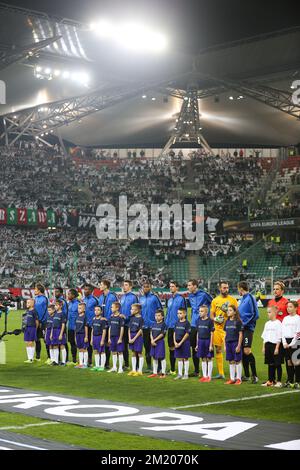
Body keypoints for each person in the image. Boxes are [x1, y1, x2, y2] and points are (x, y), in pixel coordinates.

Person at [210, 281, 238, 379]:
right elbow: (211, 314)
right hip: (217, 329)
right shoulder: (215, 300)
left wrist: (227, 313)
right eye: (224, 288)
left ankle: (235, 373)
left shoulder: (233, 300)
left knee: (233, 350)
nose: (226, 289)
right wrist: (215, 319)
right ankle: (221, 373)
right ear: (220, 288)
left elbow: (237, 314)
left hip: (229, 329)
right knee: (218, 350)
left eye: (227, 287)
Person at [187, 279, 212, 377]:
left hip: (204, 323)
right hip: (194, 324)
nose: (188, 287)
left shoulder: (204, 294)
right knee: (194, 347)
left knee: (205, 346)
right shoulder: (190, 296)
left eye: (189, 285)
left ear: (195, 286)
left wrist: (208, 315)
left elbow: (213, 303)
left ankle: (207, 371)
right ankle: (197, 371)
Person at [237, 281, 259, 384]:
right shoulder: (242, 299)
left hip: (248, 328)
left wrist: (245, 324)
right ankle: (246, 375)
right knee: (242, 352)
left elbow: (256, 315)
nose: (238, 291)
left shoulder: (250, 298)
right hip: (241, 328)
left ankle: (255, 376)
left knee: (247, 351)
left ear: (241, 288)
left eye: (238, 289)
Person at [139, 281, 162, 372]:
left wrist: (159, 324)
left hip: (154, 326)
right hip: (144, 327)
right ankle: (149, 366)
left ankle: (159, 367)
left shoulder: (154, 297)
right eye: (144, 287)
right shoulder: (140, 298)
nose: (145, 288)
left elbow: (160, 310)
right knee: (147, 347)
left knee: (156, 346)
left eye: (147, 287)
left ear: (150, 288)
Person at [165, 281, 186, 375]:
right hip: (170, 327)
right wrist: (165, 324)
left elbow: (184, 313)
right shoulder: (169, 300)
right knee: (171, 348)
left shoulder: (181, 299)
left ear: (177, 288)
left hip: (178, 327)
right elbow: (167, 313)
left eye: (173, 286)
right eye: (170, 286)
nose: (171, 288)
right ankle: (173, 370)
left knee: (180, 347)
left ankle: (183, 371)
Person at [261, 305, 283, 387]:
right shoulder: (267, 323)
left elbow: (279, 336)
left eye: (269, 312)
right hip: (268, 345)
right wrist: (263, 347)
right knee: (270, 364)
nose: (268, 314)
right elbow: (265, 336)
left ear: (274, 313)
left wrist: (277, 348)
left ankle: (279, 381)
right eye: (267, 312)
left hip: (275, 345)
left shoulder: (278, 323)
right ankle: (271, 380)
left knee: (277, 364)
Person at [98, 280, 118, 368]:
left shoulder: (112, 296)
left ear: (106, 286)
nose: (100, 286)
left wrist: (109, 318)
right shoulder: (101, 297)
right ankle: (103, 362)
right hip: (101, 322)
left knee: (110, 343)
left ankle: (111, 363)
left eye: (101, 284)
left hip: (110, 322)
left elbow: (116, 308)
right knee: (102, 341)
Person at [120, 280, 139, 369]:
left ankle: (137, 366)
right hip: (123, 324)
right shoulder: (122, 297)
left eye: (126, 285)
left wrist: (126, 317)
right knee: (123, 345)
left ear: (130, 287)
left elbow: (136, 310)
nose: (124, 287)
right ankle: (127, 364)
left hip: (131, 324)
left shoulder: (133, 297)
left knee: (134, 346)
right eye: (123, 285)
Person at [282, 300, 300, 388]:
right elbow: (282, 332)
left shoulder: (298, 318)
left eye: (290, 307)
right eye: (287, 307)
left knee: (296, 362)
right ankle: (290, 380)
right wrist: (285, 342)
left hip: (296, 342)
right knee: (288, 362)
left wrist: (291, 343)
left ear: (296, 308)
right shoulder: (285, 318)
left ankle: (297, 381)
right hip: (286, 342)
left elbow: (298, 333)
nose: (288, 308)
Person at [224, 304, 243, 385]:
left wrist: (239, 346)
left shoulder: (238, 322)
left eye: (230, 310)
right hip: (228, 343)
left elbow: (241, 334)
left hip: (235, 343)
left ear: (235, 312)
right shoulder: (227, 321)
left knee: (237, 361)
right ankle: (232, 379)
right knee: (231, 361)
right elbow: (225, 334)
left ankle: (239, 379)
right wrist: (224, 345)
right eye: (228, 310)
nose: (228, 312)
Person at [195, 305, 214, 382]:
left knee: (209, 358)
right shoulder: (198, 320)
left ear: (206, 312)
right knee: (203, 358)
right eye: (199, 311)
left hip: (207, 341)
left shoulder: (210, 321)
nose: (200, 313)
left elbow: (212, 333)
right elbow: (197, 333)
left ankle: (209, 376)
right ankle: (204, 376)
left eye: (202, 311)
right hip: (200, 341)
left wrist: (210, 345)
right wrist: (197, 344)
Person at [148, 309, 167, 378]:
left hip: (160, 342)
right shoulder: (153, 324)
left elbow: (162, 334)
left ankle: (163, 373)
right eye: (156, 315)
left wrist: (154, 340)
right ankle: (154, 372)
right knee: (154, 357)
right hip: (153, 342)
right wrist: (152, 340)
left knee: (162, 357)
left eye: (159, 315)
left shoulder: (163, 325)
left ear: (162, 317)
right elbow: (151, 333)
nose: (157, 317)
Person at [83, 284, 99, 366]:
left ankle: (96, 360)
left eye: (87, 289)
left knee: (93, 342)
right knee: (85, 342)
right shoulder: (83, 299)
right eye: (84, 289)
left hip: (92, 324)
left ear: (91, 291)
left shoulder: (95, 300)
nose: (85, 291)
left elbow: (99, 310)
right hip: (84, 324)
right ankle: (86, 360)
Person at [173, 308, 191, 380]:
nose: (179, 315)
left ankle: (186, 374)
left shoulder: (187, 323)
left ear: (185, 314)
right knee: (179, 358)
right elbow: (174, 332)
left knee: (185, 358)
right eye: (178, 313)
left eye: (180, 313)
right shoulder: (177, 322)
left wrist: (180, 343)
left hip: (184, 343)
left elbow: (187, 334)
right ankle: (180, 374)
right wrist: (175, 342)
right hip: (177, 343)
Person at [108, 301, 125, 373]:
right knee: (113, 352)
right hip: (112, 337)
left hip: (118, 337)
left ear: (117, 308)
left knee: (120, 352)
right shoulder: (111, 317)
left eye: (112, 307)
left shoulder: (120, 317)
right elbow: (110, 327)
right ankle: (114, 367)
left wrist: (120, 338)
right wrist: (109, 338)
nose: (111, 308)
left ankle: (120, 368)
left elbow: (122, 328)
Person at [128, 303, 144, 376]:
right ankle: (134, 370)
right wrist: (129, 338)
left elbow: (140, 330)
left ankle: (140, 371)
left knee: (139, 353)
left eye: (132, 309)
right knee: (133, 353)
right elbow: (129, 328)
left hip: (137, 337)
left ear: (137, 310)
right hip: (131, 336)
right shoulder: (131, 317)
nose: (131, 310)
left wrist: (134, 339)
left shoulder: (141, 319)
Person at [54, 287, 69, 362]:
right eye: (55, 291)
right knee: (56, 343)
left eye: (57, 291)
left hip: (61, 325)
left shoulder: (63, 301)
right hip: (56, 327)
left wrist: (64, 322)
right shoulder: (56, 301)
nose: (55, 293)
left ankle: (65, 359)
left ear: (61, 293)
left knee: (63, 342)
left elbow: (65, 313)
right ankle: (57, 359)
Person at [34, 283, 48, 361]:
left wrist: (40, 321)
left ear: (39, 290)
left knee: (45, 339)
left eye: (35, 289)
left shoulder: (44, 299)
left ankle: (49, 357)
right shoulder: (36, 298)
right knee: (37, 339)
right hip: (36, 321)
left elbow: (45, 311)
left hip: (43, 322)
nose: (34, 291)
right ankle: (38, 356)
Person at [90, 306, 108, 372]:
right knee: (96, 351)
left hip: (100, 337)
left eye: (98, 310)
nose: (96, 311)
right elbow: (92, 330)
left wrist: (102, 340)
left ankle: (102, 366)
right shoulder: (94, 319)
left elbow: (104, 331)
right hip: (94, 337)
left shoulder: (102, 320)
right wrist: (91, 339)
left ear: (101, 312)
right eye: (95, 310)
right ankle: (97, 365)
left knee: (102, 352)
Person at [50, 300, 67, 366]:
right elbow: (53, 324)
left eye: (57, 305)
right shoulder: (55, 314)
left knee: (62, 345)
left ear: (61, 306)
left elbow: (63, 324)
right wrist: (51, 333)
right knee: (55, 345)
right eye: (55, 305)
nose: (55, 306)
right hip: (54, 331)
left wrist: (61, 334)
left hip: (59, 330)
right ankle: (56, 361)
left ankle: (63, 361)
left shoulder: (62, 314)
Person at [23, 299, 39, 363]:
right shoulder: (27, 311)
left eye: (29, 303)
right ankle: (29, 358)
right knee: (27, 342)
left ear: (32, 304)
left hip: (32, 328)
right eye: (27, 302)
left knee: (31, 342)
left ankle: (31, 358)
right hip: (26, 328)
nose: (27, 304)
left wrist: (35, 329)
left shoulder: (34, 311)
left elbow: (37, 321)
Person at [67, 289, 80, 365]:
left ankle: (83, 360)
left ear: (73, 295)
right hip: (70, 326)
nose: (68, 295)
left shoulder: (78, 303)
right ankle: (74, 360)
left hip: (77, 327)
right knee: (72, 343)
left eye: (69, 294)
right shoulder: (69, 303)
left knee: (79, 344)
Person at [74, 303, 89, 369]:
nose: (78, 309)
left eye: (80, 308)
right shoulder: (77, 316)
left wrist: (86, 336)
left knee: (84, 349)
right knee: (80, 349)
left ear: (84, 309)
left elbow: (86, 327)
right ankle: (80, 363)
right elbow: (76, 327)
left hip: (83, 334)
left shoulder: (85, 317)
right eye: (78, 308)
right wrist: (75, 336)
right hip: (77, 334)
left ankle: (85, 364)